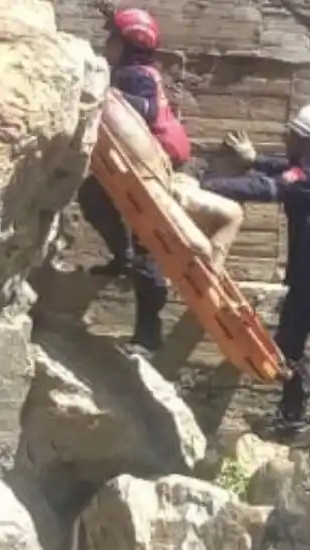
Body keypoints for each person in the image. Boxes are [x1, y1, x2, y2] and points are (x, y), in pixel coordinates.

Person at [200, 104, 310, 433]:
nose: (286, 136)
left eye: (293, 134)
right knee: (288, 341)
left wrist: (209, 186)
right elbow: (276, 167)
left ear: (309, 142)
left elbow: (267, 188)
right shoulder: (309, 164)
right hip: (308, 266)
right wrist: (253, 158)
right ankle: (292, 412)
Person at [77, 7, 190, 356]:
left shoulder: (136, 75)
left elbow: (148, 111)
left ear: (128, 45)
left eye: (112, 39)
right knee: (93, 196)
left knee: (149, 246)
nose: (106, 44)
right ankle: (121, 255)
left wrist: (108, 95)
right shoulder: (130, 70)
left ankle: (148, 337)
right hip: (138, 162)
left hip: (154, 165)